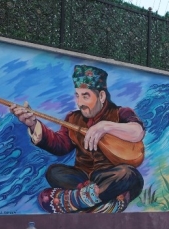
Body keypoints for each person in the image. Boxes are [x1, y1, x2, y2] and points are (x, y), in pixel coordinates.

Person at [10, 64, 145, 213]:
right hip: (82, 179)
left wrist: (106, 127)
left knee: (129, 175)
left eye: (85, 96)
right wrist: (33, 124)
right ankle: (99, 201)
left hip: (109, 176)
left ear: (101, 96)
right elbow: (61, 146)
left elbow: (137, 131)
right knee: (53, 172)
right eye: (77, 95)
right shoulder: (73, 118)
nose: (80, 103)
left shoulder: (121, 113)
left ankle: (75, 201)